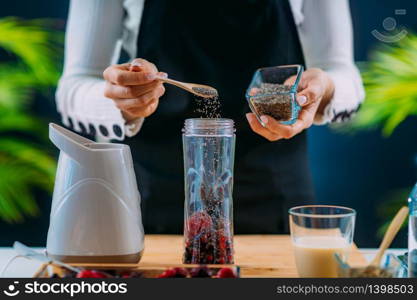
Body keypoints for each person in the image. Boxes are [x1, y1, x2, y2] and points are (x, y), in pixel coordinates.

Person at [56, 0, 364, 233]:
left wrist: (321, 89)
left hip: (275, 188)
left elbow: (344, 74)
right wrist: (120, 101)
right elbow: (75, 83)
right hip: (154, 194)